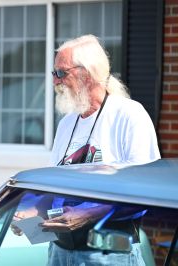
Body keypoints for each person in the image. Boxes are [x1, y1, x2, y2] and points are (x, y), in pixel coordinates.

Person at [14, 35, 160, 265]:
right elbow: (55, 189)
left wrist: (86, 215)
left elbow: (146, 193)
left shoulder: (129, 115)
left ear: (89, 74)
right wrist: (33, 211)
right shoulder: (66, 123)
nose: (55, 81)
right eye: (54, 73)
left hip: (108, 255)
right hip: (60, 251)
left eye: (61, 73)